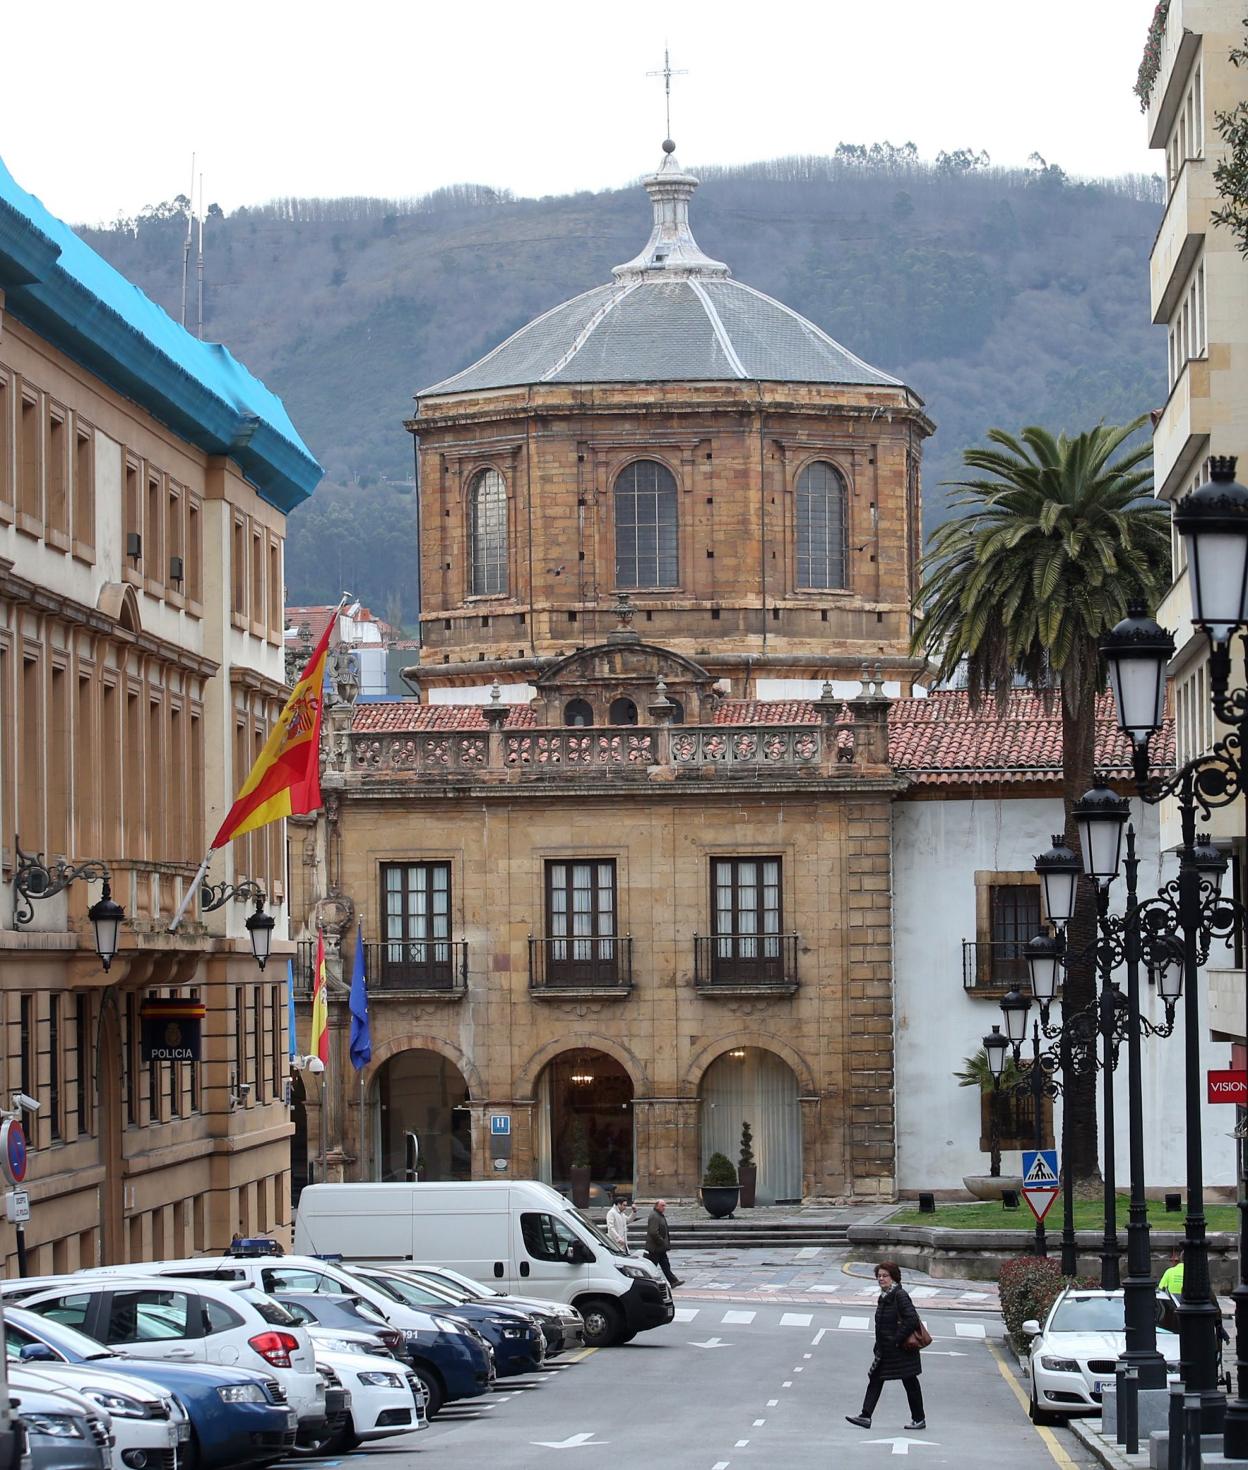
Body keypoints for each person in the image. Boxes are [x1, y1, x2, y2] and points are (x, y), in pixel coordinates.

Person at [845, 1262, 926, 1431]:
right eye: (879, 1276)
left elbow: (911, 1319)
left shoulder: (900, 1295)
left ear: (893, 1278)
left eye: (884, 1276)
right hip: (887, 1350)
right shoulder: (884, 1296)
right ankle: (865, 1416)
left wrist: (897, 1339)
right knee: (876, 1378)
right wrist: (880, 1344)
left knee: (910, 1381)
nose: (881, 1279)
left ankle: (919, 1418)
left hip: (901, 1350)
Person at [645, 1199, 682, 1287]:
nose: (664, 1207)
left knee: (665, 1265)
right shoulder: (654, 1216)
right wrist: (661, 1241)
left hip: (660, 1248)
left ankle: (673, 1281)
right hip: (655, 1248)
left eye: (665, 1205)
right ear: (657, 1206)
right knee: (651, 1266)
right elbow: (653, 1232)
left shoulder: (659, 1215)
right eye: (662, 1205)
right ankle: (646, 1282)